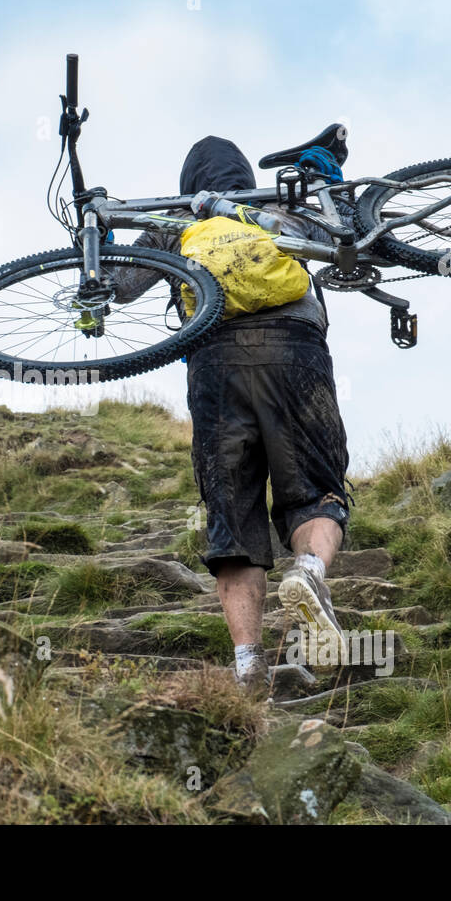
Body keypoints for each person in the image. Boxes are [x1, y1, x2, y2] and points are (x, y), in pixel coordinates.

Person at [112, 135, 352, 695]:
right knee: (313, 490)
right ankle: (310, 575)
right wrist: (325, 182)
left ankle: (248, 666)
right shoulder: (275, 207)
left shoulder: (176, 222)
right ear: (244, 174)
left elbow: (119, 288)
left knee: (233, 513)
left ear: (187, 185)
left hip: (215, 363)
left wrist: (100, 242)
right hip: (294, 349)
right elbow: (343, 239)